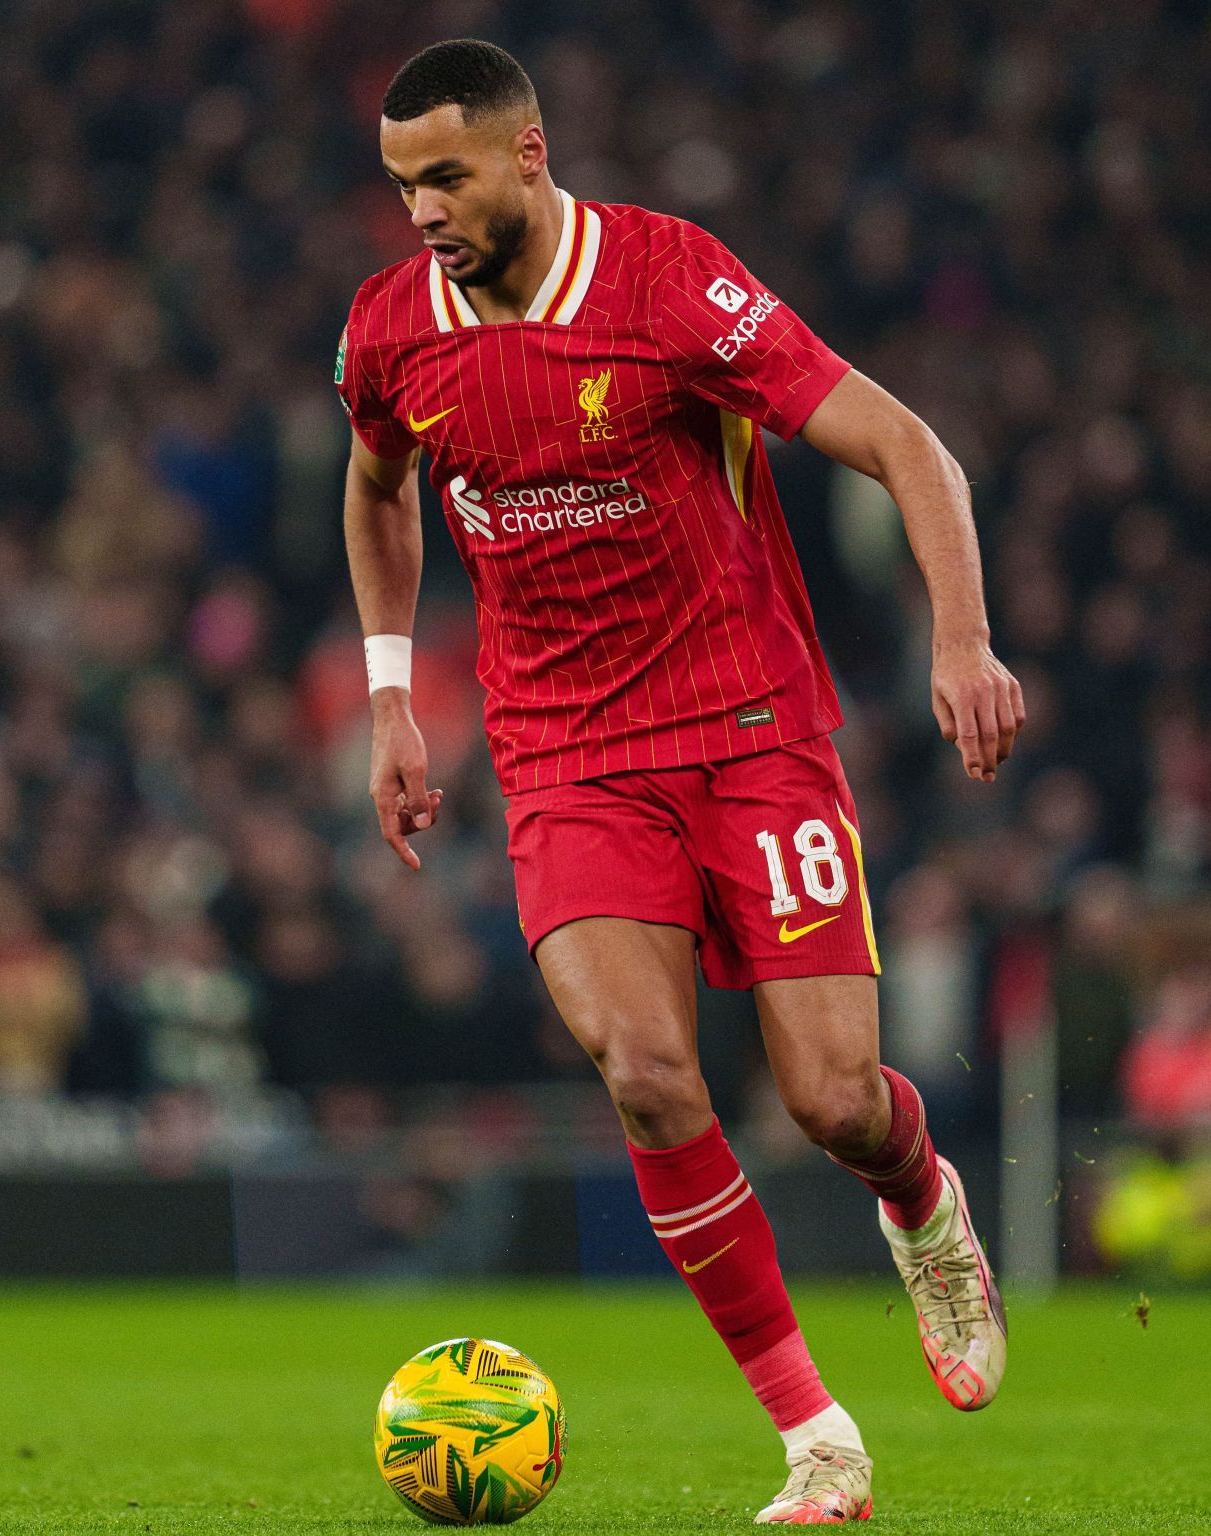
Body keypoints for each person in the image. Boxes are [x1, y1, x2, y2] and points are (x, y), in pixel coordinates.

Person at [338, 40, 1024, 1524]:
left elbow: (907, 447)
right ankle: (815, 1439)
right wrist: (394, 699)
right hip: (564, 754)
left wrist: (961, 641)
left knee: (832, 1101)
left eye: (445, 177)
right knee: (649, 1078)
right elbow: (381, 483)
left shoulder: (668, 286)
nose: (422, 214)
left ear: (529, 154)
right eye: (402, 188)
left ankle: (919, 1197)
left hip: (750, 730)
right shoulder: (392, 331)